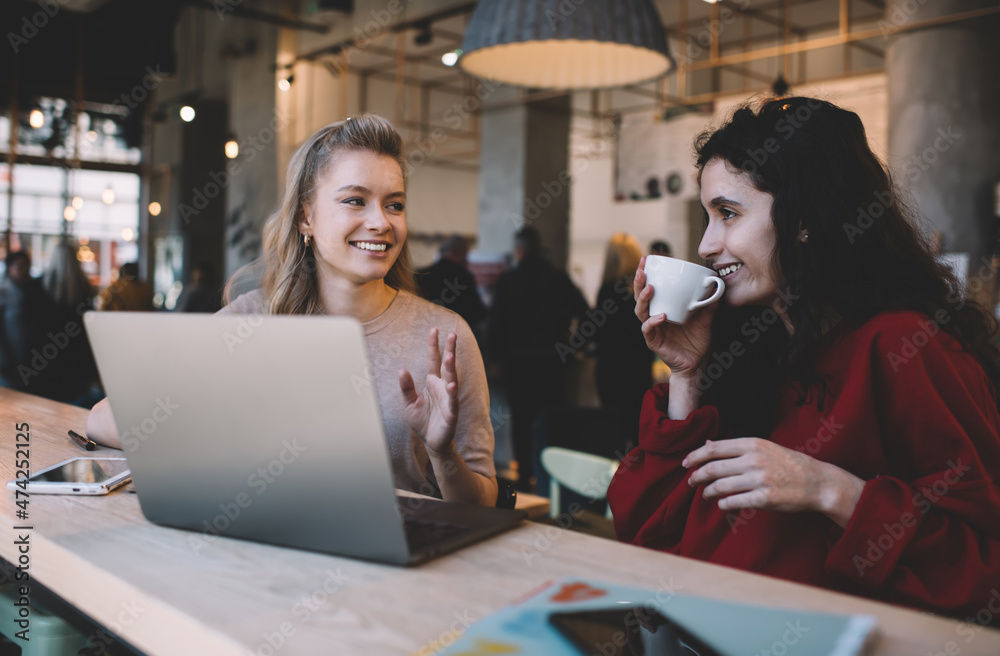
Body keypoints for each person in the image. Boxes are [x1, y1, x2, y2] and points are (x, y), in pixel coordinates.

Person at [607, 97, 1000, 620]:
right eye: (708, 217)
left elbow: (982, 568)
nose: (705, 244)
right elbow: (647, 531)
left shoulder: (907, 346)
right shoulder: (757, 346)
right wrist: (687, 375)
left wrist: (830, 491)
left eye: (728, 213)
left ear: (805, 219)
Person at [87, 115, 497, 506]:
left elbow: (483, 500)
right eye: (355, 201)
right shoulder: (250, 322)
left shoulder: (446, 336)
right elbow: (103, 419)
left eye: (394, 205)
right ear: (306, 217)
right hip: (265, 554)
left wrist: (442, 454)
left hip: (400, 566)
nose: (380, 222)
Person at [488, 226, 589, 491]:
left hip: (517, 363)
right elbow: (587, 313)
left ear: (519, 250)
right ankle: (552, 478)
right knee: (550, 420)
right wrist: (573, 346)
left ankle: (523, 479)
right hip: (551, 362)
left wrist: (495, 358)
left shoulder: (508, 280)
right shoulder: (557, 278)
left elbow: (496, 324)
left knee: (520, 422)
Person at [594, 233, 653, 447]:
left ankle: (618, 477)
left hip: (611, 370)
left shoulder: (607, 291)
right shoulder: (644, 292)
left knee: (614, 430)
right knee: (638, 426)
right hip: (639, 367)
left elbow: (597, 331)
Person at [39, 240, 100, 405]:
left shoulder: (42, 285)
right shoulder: (86, 287)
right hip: (77, 354)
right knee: (75, 406)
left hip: (48, 354)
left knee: (51, 405)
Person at [0, 250, 53, 393]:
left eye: (26, 266)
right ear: (9, 267)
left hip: (34, 358)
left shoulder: (36, 290)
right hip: (10, 360)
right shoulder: (4, 294)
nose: (24, 270)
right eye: (19, 266)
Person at [416, 234, 487, 330]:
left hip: (424, 333)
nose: (467, 261)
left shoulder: (420, 275)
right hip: (455, 336)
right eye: (465, 254)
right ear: (458, 252)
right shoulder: (463, 277)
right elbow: (476, 312)